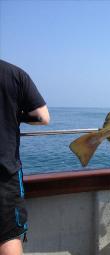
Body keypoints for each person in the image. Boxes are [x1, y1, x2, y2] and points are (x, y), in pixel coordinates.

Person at [0, 59, 50, 255]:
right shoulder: (14, 74)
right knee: (7, 236)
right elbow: (43, 118)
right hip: (4, 172)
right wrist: (16, 115)